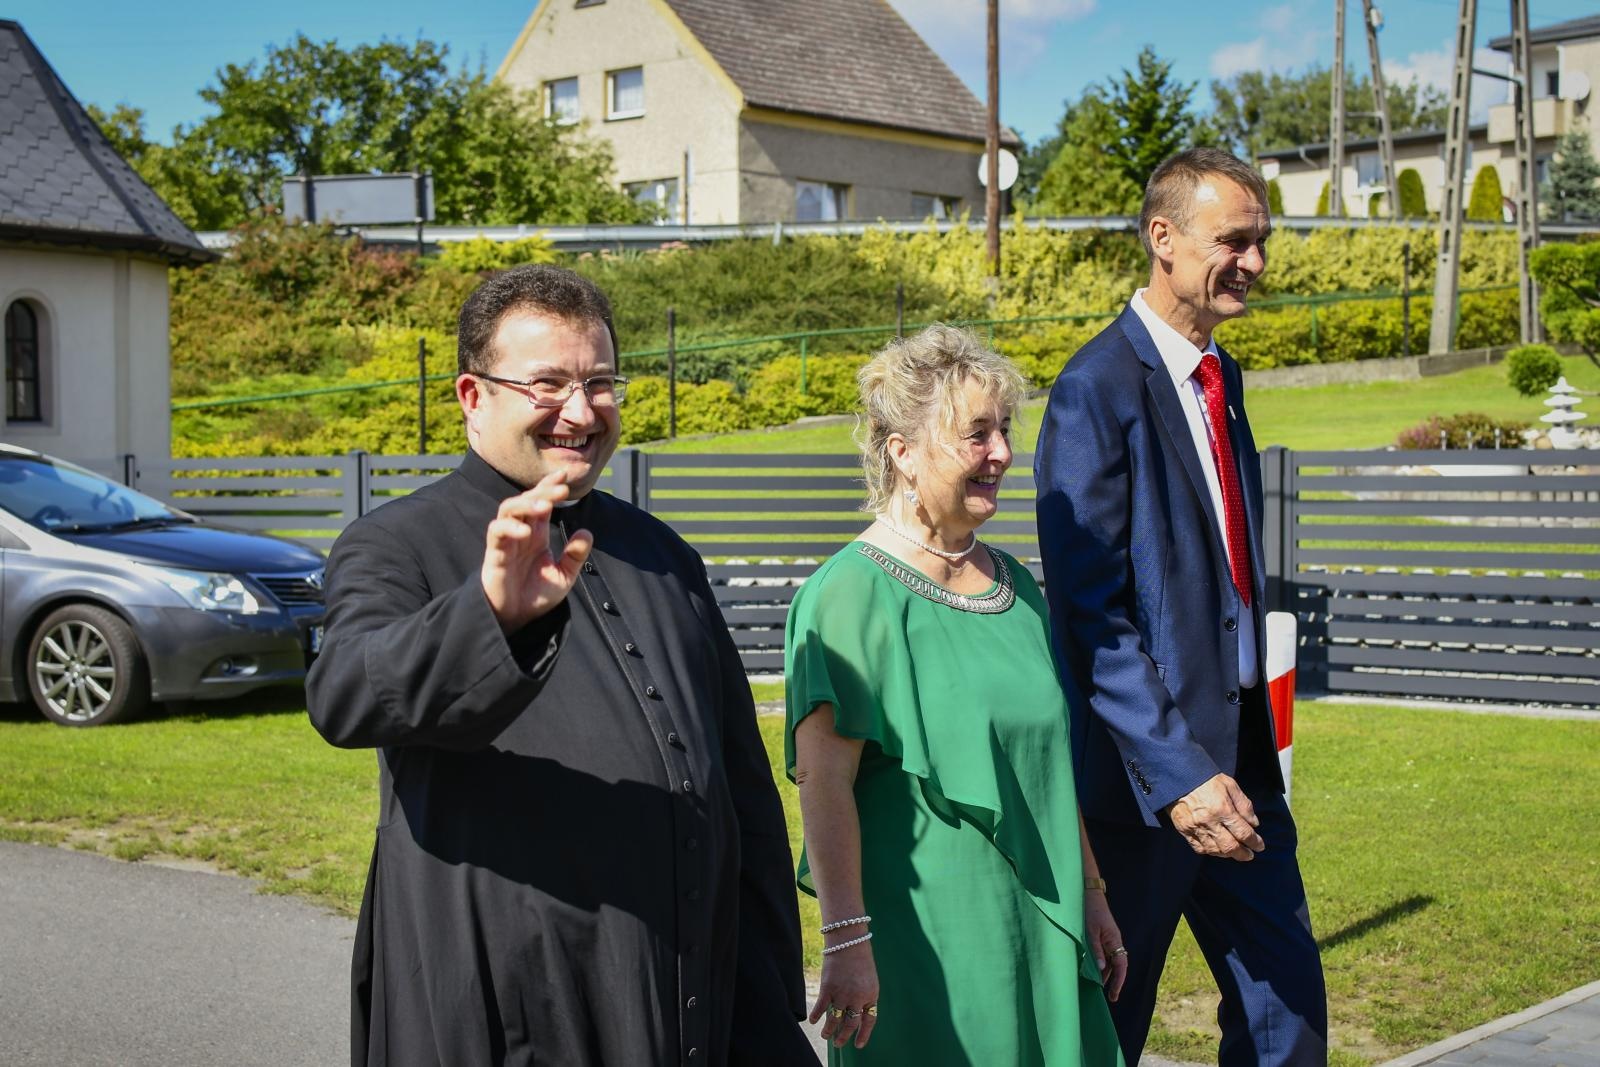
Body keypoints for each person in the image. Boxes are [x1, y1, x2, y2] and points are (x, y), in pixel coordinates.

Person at [306, 264, 813, 1067]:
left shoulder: (663, 553)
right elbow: (345, 693)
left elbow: (739, 783)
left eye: (601, 382)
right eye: (549, 383)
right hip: (514, 1007)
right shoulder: (396, 543)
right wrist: (490, 616)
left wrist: (770, 984)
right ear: (475, 395)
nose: (581, 411)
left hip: (693, 992)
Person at [1034, 147, 1328, 1065]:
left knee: (1290, 1017)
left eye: (1262, 241)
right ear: (1162, 237)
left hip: (1243, 764)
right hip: (1142, 787)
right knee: (1108, 1033)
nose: (1256, 262)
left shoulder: (1220, 377)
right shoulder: (1094, 390)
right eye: (1234, 240)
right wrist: (1180, 773)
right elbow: (1093, 614)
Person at [784, 324, 1127, 1065]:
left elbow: (1046, 763)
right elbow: (825, 782)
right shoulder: (846, 596)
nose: (1002, 452)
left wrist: (1093, 889)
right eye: (977, 434)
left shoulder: (1018, 587)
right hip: (921, 946)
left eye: (1004, 430)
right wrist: (845, 938)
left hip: (1042, 922)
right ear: (901, 450)